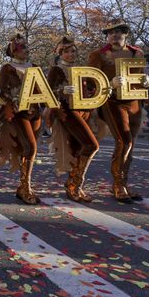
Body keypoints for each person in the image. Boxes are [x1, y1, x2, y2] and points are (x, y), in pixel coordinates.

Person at [87, 19, 149, 203]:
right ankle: (118, 185)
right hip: (112, 102)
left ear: (125, 34)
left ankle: (124, 182)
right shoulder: (97, 55)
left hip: (134, 103)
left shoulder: (136, 52)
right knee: (124, 140)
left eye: (118, 32)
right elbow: (91, 82)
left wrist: (147, 81)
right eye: (110, 32)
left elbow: (139, 76)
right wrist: (109, 83)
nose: (114, 35)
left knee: (130, 144)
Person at [47, 36, 99, 202]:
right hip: (67, 111)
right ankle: (75, 183)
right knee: (91, 145)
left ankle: (74, 187)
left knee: (77, 149)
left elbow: (93, 89)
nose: (71, 54)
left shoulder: (82, 69)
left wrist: (105, 90)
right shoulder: (56, 70)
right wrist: (62, 90)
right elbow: (47, 92)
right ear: (61, 53)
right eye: (67, 51)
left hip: (84, 111)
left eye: (73, 51)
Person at [0, 34, 42, 205]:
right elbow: (3, 91)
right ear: (14, 51)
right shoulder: (7, 68)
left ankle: (22, 187)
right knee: (30, 147)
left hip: (34, 111)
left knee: (29, 150)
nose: (26, 49)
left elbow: (42, 88)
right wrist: (13, 100)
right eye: (22, 47)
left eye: (27, 47)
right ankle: (26, 187)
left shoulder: (35, 66)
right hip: (18, 112)